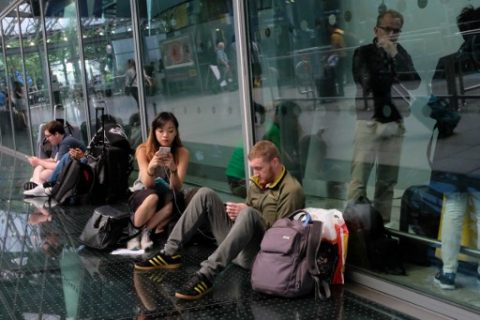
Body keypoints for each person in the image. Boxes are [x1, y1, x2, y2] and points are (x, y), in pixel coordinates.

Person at [134, 140, 305, 301]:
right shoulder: (259, 181)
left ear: (275, 162)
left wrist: (248, 212)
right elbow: (247, 219)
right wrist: (236, 212)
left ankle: (206, 275)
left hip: (260, 256)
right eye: (253, 169)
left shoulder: (291, 190)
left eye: (259, 168)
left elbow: (282, 240)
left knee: (248, 213)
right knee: (205, 194)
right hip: (238, 249)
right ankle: (169, 252)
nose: (255, 174)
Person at [346, 9, 420, 223]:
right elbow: (367, 83)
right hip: (370, 120)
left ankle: (382, 227)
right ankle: (352, 226)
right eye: (386, 29)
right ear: (376, 29)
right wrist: (387, 59)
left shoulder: (401, 53)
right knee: (359, 178)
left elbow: (414, 83)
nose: (391, 34)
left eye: (396, 30)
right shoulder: (363, 52)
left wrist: (394, 55)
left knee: (387, 181)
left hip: (394, 121)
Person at [430, 5, 480, 290]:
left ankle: (448, 271)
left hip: (454, 146)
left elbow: (434, 104)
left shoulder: (447, 62)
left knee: (453, 207)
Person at [128, 112, 189, 250]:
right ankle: (141, 227)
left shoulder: (182, 152)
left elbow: (177, 187)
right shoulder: (143, 150)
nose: (165, 135)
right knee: (153, 197)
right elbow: (147, 184)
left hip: (166, 194)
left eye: (170, 131)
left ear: (176, 133)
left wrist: (173, 169)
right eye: (161, 131)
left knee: (178, 198)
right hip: (143, 192)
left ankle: (145, 231)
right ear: (154, 132)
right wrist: (151, 167)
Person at [23, 120, 85, 197]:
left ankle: (42, 187)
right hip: (69, 169)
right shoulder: (58, 142)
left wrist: (39, 161)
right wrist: (37, 161)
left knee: (43, 174)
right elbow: (54, 159)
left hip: (78, 171)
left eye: (48, 136)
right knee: (39, 168)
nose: (46, 139)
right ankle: (38, 186)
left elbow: (58, 165)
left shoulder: (66, 142)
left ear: (56, 134)